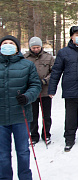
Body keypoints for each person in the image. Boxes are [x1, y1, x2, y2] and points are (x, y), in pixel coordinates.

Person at [0, 35, 41, 180]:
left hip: (21, 116)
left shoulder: (27, 65)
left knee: (23, 151)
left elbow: (36, 85)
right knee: (3, 154)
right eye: (5, 43)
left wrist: (27, 96)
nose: (8, 45)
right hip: (1, 119)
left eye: (11, 43)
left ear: (17, 48)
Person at [24, 37, 55, 145]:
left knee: (46, 115)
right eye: (33, 47)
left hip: (45, 91)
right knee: (32, 115)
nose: (36, 49)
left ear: (41, 46)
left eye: (37, 47)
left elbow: (54, 73)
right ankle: (33, 135)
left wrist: (45, 81)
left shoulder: (48, 57)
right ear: (30, 47)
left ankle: (46, 134)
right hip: (31, 92)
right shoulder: (25, 58)